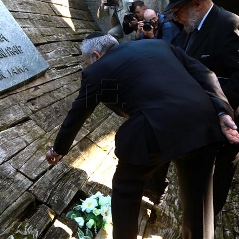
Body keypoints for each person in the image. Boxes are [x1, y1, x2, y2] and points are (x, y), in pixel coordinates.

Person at [45, 31, 239, 239]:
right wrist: (222, 111)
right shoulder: (159, 45)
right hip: (204, 123)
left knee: (126, 189)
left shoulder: (97, 70)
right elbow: (205, 74)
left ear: (96, 55)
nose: (88, 66)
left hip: (154, 130)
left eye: (87, 62)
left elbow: (78, 112)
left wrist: (58, 149)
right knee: (199, 201)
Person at [145, 0, 239, 217]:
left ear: (196, 4)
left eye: (177, 11)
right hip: (196, 117)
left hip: (225, 120)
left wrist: (216, 106)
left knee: (216, 178)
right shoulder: (190, 27)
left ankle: (209, 219)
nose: (175, 18)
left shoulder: (229, 23)